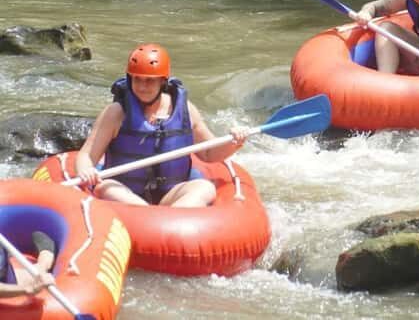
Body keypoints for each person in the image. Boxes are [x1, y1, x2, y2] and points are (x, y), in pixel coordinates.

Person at [75, 43, 250, 208]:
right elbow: (87, 155)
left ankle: (168, 219)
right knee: (106, 187)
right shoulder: (116, 113)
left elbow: (209, 152)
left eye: (149, 80)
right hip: (125, 192)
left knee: (205, 188)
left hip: (170, 195)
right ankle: (150, 216)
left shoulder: (185, 110)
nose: (142, 86)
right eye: (137, 79)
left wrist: (235, 142)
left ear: (162, 81)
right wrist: (86, 170)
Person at [0, 231, 55, 298]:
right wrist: (29, 288)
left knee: (45, 244)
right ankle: (42, 267)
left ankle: (42, 266)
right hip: (10, 286)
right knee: (45, 255)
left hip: (8, 277)